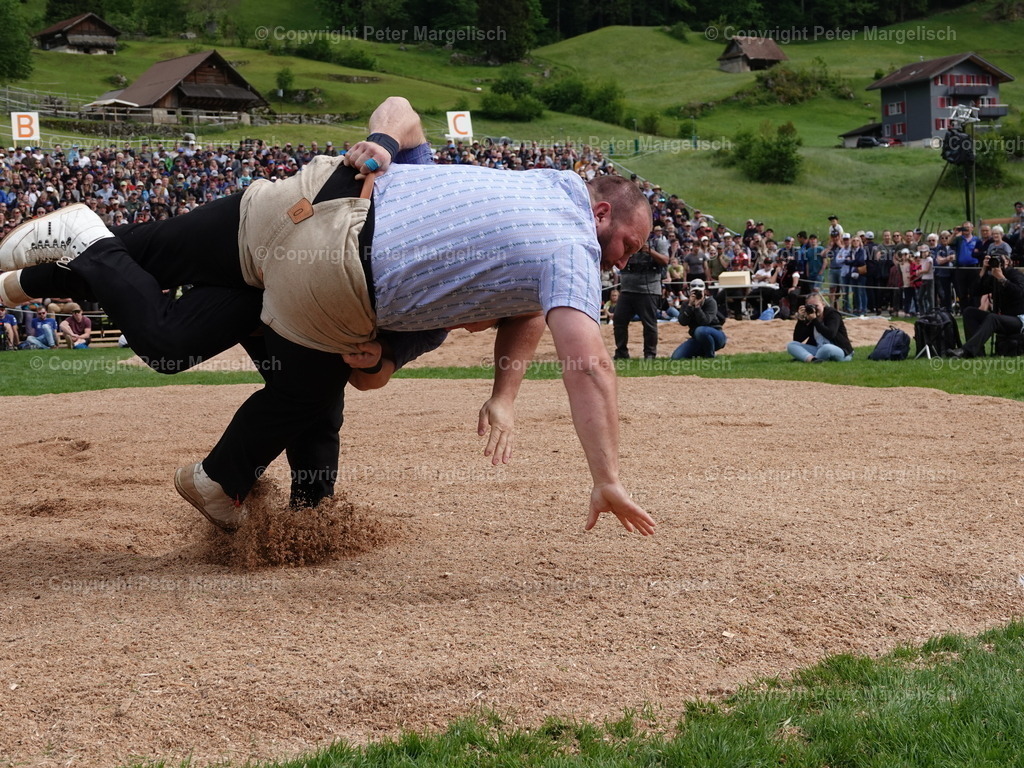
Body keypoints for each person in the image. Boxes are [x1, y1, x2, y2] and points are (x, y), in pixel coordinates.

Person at [0, 96, 656, 537]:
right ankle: (247, 492)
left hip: (301, 200)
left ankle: (27, 277)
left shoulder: (510, 194)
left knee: (145, 255)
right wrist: (607, 477)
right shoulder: (567, 240)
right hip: (330, 271)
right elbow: (589, 362)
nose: (617, 265)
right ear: (600, 214)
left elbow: (399, 111)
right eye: (624, 246)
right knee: (294, 385)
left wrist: (379, 142)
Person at [951, 253, 1024, 358]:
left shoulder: (1015, 274)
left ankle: (966, 350)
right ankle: (978, 353)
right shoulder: (993, 277)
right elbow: (973, 292)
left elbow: (1019, 293)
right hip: (1000, 318)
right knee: (969, 312)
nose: (996, 262)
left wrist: (1002, 279)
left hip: (1019, 320)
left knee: (992, 317)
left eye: (999, 259)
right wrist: (983, 270)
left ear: (1007, 261)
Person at [613, 225, 669, 359]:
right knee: (619, 320)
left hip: (648, 289)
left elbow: (665, 261)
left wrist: (649, 251)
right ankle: (621, 352)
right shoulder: (625, 241)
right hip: (627, 289)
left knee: (649, 324)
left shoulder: (657, 242)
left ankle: (649, 354)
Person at [786, 292, 854, 362]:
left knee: (826, 348)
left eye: (816, 306)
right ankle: (812, 360)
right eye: (810, 306)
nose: (814, 309)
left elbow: (830, 334)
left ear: (823, 304)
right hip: (819, 348)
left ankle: (806, 357)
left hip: (840, 350)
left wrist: (815, 320)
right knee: (791, 345)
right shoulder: (810, 316)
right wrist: (801, 320)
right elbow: (798, 339)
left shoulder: (832, 314)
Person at [670, 278, 725, 359]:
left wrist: (697, 307)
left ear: (704, 292)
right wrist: (690, 306)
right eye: (694, 292)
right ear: (689, 292)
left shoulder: (710, 302)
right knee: (676, 357)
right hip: (697, 338)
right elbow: (682, 322)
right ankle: (702, 352)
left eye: (699, 292)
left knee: (700, 330)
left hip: (716, 335)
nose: (697, 295)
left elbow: (705, 321)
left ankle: (709, 356)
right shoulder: (686, 304)